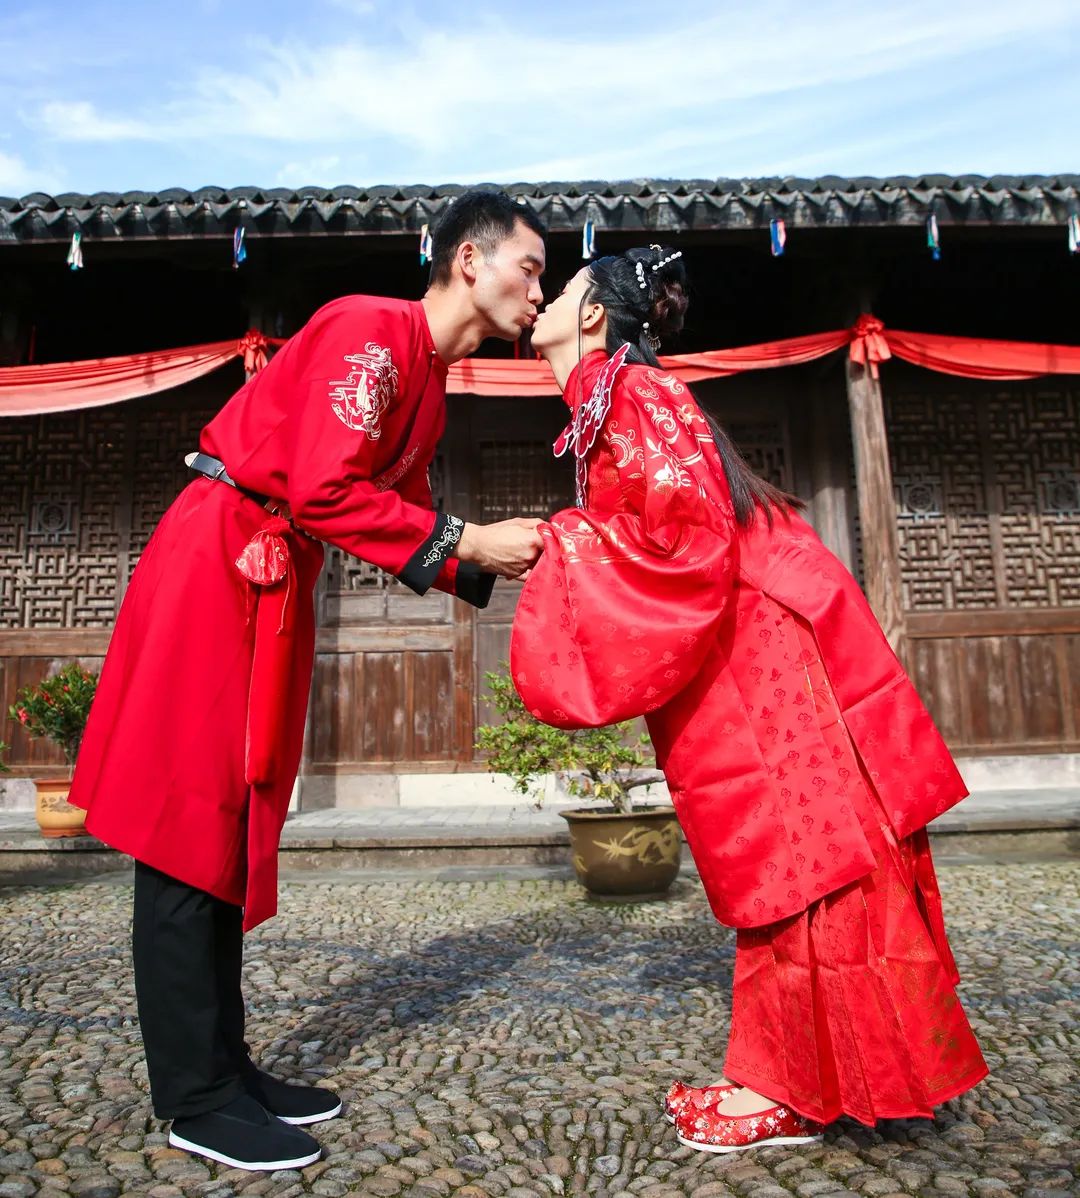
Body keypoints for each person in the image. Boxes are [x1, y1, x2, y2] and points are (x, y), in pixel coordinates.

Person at [68, 190, 547, 1171]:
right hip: (221, 560)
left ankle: (226, 1064)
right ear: (470, 259)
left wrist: (504, 563)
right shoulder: (371, 330)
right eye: (530, 268)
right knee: (187, 817)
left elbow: (396, 512)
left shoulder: (427, 381)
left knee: (232, 814)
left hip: (271, 575)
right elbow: (326, 490)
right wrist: (470, 540)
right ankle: (193, 1095)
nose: (538, 292)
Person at [513, 245, 987, 1153]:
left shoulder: (632, 393)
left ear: (594, 316)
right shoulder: (618, 396)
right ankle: (799, 1072)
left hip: (758, 641)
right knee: (794, 853)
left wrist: (563, 544)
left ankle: (795, 1086)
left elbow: (686, 537)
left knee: (806, 851)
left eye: (561, 288)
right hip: (753, 627)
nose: (542, 299)